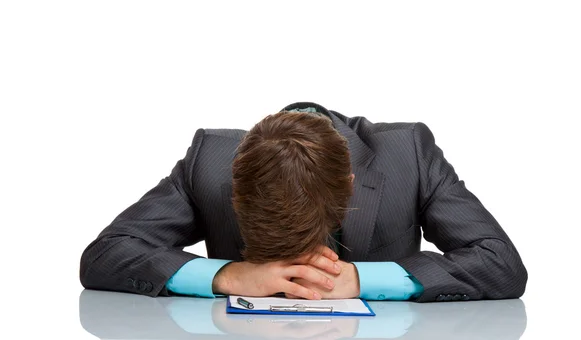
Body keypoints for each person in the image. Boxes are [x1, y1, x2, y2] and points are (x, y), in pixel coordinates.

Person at [80, 101, 527, 302]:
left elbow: (501, 263)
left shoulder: (408, 151)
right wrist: (227, 276)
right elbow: (105, 255)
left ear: (350, 185)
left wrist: (361, 281)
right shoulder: (209, 162)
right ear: (234, 193)